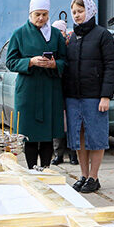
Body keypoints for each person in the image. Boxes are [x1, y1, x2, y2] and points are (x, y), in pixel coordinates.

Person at [6, 0, 67, 169]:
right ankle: (32, 170)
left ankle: (46, 170)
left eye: (45, 14)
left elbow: (65, 60)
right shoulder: (19, 34)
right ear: (30, 14)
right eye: (37, 14)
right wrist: (30, 62)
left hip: (50, 89)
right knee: (29, 134)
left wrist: (55, 64)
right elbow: (10, 61)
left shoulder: (55, 34)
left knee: (48, 135)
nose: (41, 18)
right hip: (28, 91)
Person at [64, 0, 114, 193]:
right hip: (73, 96)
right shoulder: (71, 37)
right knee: (79, 135)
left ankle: (94, 177)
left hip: (94, 97)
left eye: (80, 11)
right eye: (74, 12)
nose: (77, 15)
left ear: (90, 10)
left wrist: (106, 96)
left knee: (96, 137)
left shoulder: (102, 35)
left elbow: (111, 66)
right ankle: (84, 175)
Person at [49, 19, 77, 166]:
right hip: (56, 89)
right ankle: (58, 154)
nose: (59, 34)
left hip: (71, 89)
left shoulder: (73, 45)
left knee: (72, 123)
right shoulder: (51, 46)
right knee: (58, 123)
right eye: (56, 31)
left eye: (61, 31)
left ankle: (73, 154)